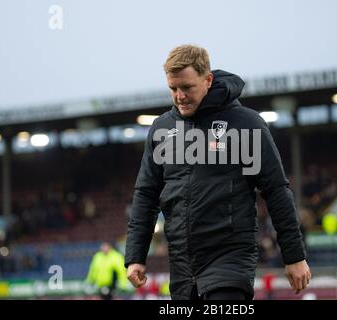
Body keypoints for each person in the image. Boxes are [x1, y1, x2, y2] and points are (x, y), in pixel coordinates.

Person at [125, 44, 311, 300]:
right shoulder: (162, 130)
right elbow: (146, 195)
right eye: (173, 89)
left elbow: (276, 190)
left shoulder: (246, 125)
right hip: (182, 269)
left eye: (187, 87)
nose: (179, 96)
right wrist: (135, 256)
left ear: (208, 79)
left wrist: (294, 256)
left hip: (230, 263)